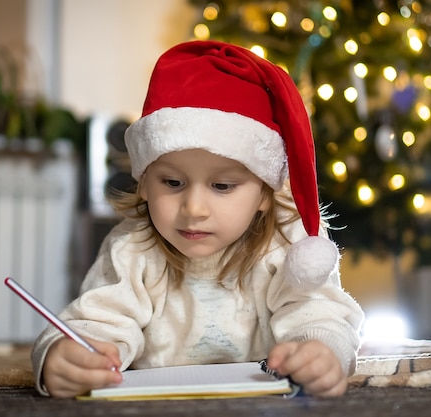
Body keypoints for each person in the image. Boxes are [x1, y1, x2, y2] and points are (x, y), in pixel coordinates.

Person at [31, 40, 364, 398]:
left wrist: (322, 352)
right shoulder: (132, 249)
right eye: (172, 182)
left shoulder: (286, 245)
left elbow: (319, 315)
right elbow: (94, 324)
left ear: (265, 193)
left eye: (222, 186)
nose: (193, 209)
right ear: (143, 182)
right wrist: (65, 357)